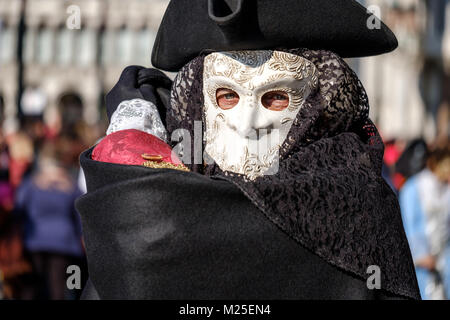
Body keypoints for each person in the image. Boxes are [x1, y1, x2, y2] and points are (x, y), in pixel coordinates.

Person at [77, 0, 420, 300]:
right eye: (227, 96)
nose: (247, 123)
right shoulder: (154, 202)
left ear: (316, 110)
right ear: (199, 103)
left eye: (276, 97)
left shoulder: (357, 204)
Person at [15, 141, 84, 300]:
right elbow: (81, 215)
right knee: (59, 288)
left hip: (34, 240)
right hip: (64, 242)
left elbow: (18, 210)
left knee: (34, 286)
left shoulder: (31, 184)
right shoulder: (71, 185)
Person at [400, 143, 450, 299]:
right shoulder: (413, 188)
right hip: (422, 266)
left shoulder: (447, 189)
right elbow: (410, 225)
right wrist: (422, 254)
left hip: (444, 263)